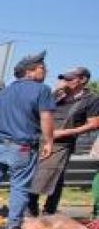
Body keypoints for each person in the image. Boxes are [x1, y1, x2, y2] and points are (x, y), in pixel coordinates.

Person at [0, 51, 56, 229]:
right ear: (29, 72)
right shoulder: (42, 90)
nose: (46, 71)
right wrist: (49, 141)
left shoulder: (1, 94)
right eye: (42, 68)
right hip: (22, 147)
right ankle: (13, 225)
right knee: (19, 186)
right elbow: (46, 117)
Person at [28, 66, 99, 216]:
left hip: (62, 143)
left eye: (69, 78)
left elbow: (94, 124)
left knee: (48, 175)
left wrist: (65, 132)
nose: (65, 81)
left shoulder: (91, 99)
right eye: (63, 78)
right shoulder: (57, 96)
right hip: (42, 140)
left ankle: (47, 211)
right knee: (41, 175)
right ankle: (35, 209)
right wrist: (54, 92)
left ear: (83, 80)